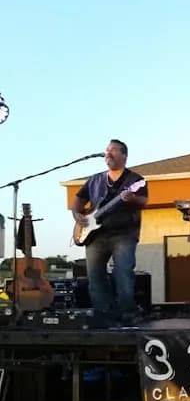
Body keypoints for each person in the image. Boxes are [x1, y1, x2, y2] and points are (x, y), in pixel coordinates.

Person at [71, 139, 148, 325]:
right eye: (107, 150)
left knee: (123, 274)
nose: (108, 153)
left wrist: (132, 199)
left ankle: (127, 314)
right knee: (95, 277)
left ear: (124, 155)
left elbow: (143, 201)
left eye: (113, 150)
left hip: (124, 234)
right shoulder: (95, 180)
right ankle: (103, 314)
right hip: (95, 236)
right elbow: (79, 200)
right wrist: (77, 215)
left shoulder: (135, 180)